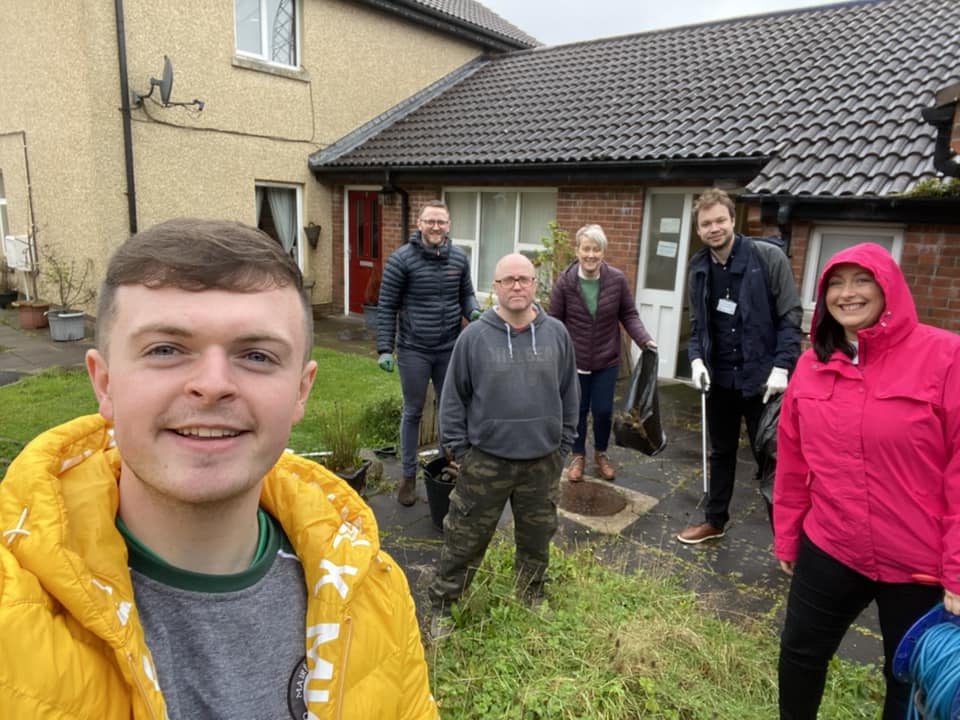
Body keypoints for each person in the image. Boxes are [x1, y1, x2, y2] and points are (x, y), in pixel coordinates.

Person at [0, 219, 437, 719]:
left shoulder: (373, 591)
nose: (212, 385)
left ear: (300, 391)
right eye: (165, 349)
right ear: (104, 383)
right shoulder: (13, 615)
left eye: (255, 355)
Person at [774, 242, 960, 719]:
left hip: (919, 564)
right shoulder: (810, 367)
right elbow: (793, 460)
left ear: (888, 287)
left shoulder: (945, 357)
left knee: (910, 679)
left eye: (862, 280)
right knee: (800, 655)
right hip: (832, 546)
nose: (847, 293)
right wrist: (788, 538)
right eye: (835, 282)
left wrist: (958, 570)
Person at [428, 252, 579, 639]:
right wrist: (461, 452)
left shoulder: (556, 334)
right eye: (507, 279)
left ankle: (530, 596)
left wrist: (563, 445)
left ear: (535, 284)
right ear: (494, 288)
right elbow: (453, 399)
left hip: (541, 462)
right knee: (464, 538)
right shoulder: (474, 337)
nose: (516, 286)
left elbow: (569, 394)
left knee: (536, 538)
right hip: (486, 462)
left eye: (524, 279)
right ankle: (445, 606)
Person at [677, 188, 803, 544]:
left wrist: (782, 367)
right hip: (720, 380)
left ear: (733, 220)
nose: (714, 228)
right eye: (706, 224)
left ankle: (787, 536)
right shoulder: (699, 267)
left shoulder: (767, 258)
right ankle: (715, 521)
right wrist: (696, 358)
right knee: (721, 453)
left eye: (720, 220)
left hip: (764, 382)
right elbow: (699, 324)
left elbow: (790, 314)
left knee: (772, 458)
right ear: (699, 231)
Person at [377, 200, 481, 506]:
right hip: (413, 349)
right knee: (413, 410)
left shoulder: (459, 259)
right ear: (419, 224)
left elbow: (466, 294)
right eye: (430, 221)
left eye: (441, 222)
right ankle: (408, 476)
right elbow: (387, 306)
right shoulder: (401, 260)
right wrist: (385, 348)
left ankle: (442, 466)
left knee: (449, 409)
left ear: (448, 225)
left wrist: (473, 311)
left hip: (449, 346)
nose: (436, 227)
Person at [550, 223, 657, 482]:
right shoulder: (565, 282)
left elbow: (628, 314)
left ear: (603, 252)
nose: (590, 255)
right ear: (577, 251)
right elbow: (554, 321)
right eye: (586, 249)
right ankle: (578, 456)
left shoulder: (616, 280)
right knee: (576, 411)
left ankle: (600, 453)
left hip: (606, 359)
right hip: (574, 361)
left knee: (602, 411)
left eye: (596, 250)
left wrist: (645, 340)